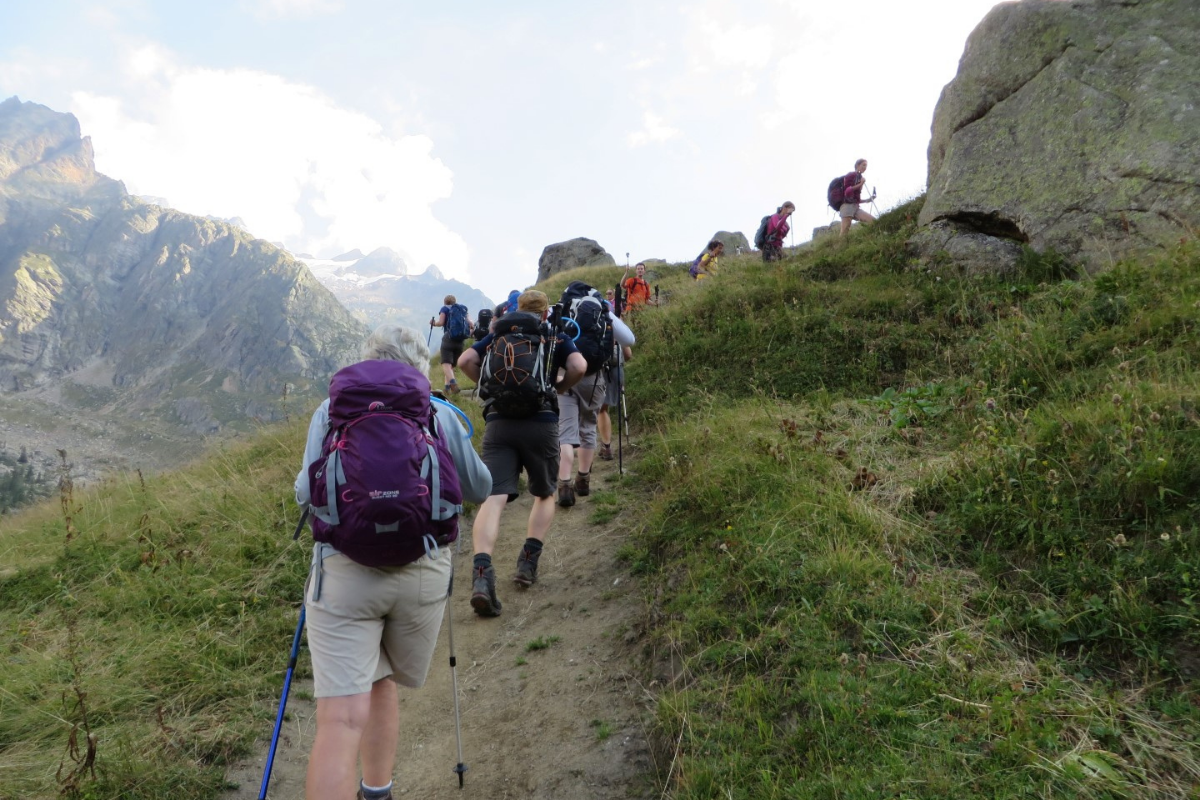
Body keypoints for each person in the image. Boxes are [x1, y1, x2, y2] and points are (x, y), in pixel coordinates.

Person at [294, 325, 492, 800]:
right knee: (382, 676)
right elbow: (480, 488)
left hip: (344, 575)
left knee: (339, 721)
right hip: (420, 573)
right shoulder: (437, 411)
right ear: (417, 369)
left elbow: (305, 493)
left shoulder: (331, 411)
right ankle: (377, 791)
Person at [457, 290, 587, 615]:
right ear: (544, 313)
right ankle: (527, 564)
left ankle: (482, 574)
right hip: (541, 422)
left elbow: (464, 361)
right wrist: (556, 389)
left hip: (499, 423)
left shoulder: (498, 334)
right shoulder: (552, 334)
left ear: (517, 310)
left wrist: (489, 390)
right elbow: (579, 366)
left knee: (493, 497)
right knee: (544, 494)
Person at [556, 305, 635, 505]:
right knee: (588, 426)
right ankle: (583, 480)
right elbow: (627, 350)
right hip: (594, 379)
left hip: (565, 375)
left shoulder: (563, 312)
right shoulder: (603, 316)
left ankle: (564, 484)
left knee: (565, 430)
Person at [430, 294, 473, 395]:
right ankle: (447, 388)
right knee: (451, 366)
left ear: (445, 302)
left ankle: (453, 384)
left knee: (445, 363)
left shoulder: (444, 309)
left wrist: (433, 323)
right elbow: (471, 323)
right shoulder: (462, 309)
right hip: (460, 341)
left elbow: (441, 322)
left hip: (448, 339)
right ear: (454, 301)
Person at [839, 158, 876, 236]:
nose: (865, 167)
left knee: (873, 221)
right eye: (863, 165)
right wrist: (861, 183)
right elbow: (847, 191)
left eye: (866, 166)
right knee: (844, 232)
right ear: (857, 165)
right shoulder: (851, 175)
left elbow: (856, 199)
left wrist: (868, 200)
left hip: (855, 207)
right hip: (847, 206)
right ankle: (840, 247)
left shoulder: (859, 177)